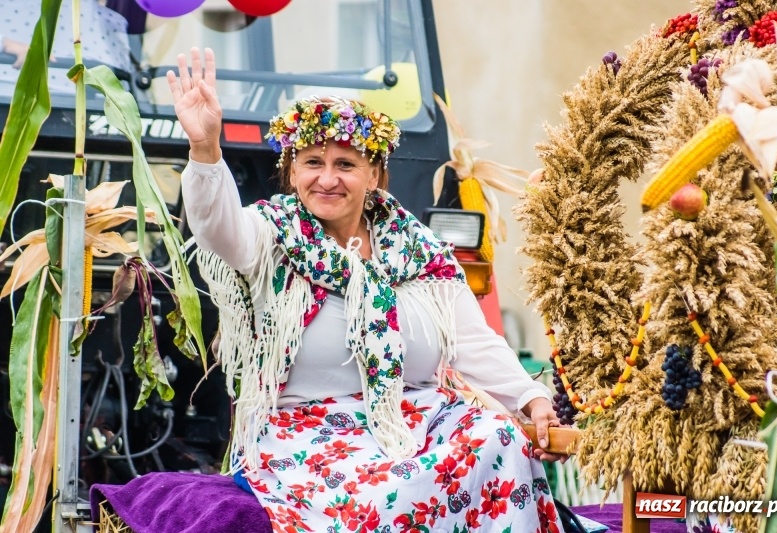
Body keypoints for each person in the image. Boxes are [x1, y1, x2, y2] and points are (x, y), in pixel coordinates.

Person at [169, 46, 566, 532]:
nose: (328, 178)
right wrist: (205, 149)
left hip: (418, 419)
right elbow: (215, 228)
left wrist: (531, 399)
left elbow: (472, 341)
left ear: (374, 174)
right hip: (307, 433)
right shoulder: (268, 234)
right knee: (393, 488)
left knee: (498, 439)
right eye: (313, 162)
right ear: (292, 173)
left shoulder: (417, 248)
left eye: (346, 164)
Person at [0, 0, 130, 97]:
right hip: (10, 99)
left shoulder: (113, 22)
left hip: (83, 113)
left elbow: (123, 90)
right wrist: (5, 44)